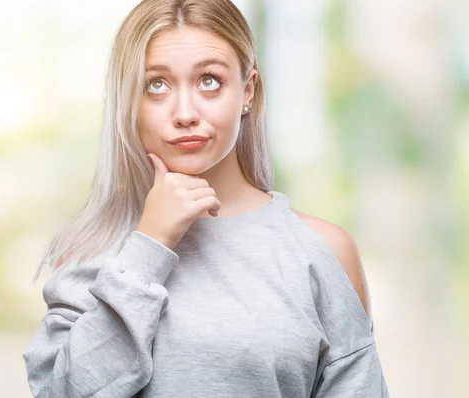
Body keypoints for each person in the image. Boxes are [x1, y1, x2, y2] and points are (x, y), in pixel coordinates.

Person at [22, 0, 389, 396]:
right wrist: (148, 248)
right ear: (129, 99)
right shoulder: (89, 250)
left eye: (209, 80)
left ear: (247, 90)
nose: (185, 112)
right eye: (156, 84)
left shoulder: (322, 251)